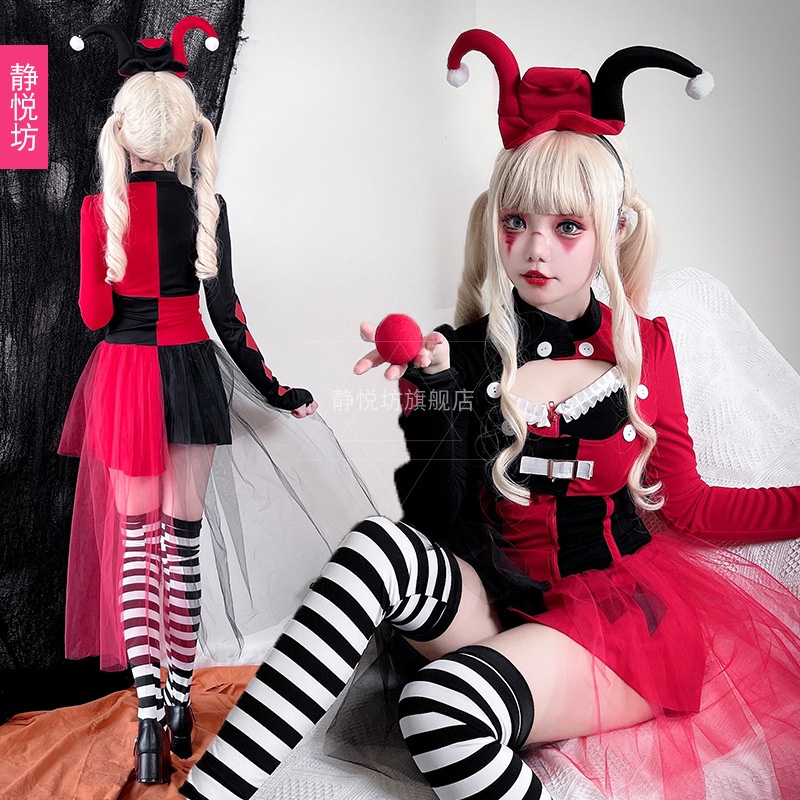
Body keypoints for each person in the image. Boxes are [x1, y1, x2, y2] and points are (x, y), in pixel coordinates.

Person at [180, 30, 800, 800]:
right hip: (505, 604)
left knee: (436, 708)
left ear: (613, 230)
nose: (536, 249)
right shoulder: (466, 352)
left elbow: (693, 506)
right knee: (376, 545)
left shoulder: (646, 350)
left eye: (567, 227)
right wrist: (430, 391)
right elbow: (436, 521)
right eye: (517, 223)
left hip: (616, 625)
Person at [60, 19, 320, 784]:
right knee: (181, 547)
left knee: (135, 552)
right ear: (183, 136)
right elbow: (228, 319)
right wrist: (279, 391)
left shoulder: (97, 211)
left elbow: (94, 317)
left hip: (124, 379)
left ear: (123, 133)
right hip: (191, 376)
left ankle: (147, 721)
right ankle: (178, 702)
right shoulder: (208, 208)